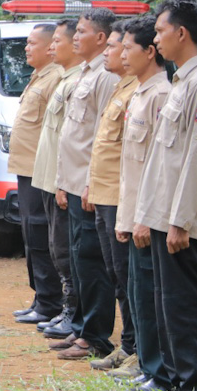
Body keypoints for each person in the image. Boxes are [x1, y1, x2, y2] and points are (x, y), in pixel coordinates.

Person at [133, 0, 197, 391]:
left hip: (184, 223)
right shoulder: (184, 82)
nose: (156, 38)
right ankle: (182, 387)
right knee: (170, 306)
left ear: (182, 33)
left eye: (160, 30)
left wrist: (179, 221)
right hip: (166, 216)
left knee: (188, 310)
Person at [54, 7, 119, 362]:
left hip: (89, 186)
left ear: (100, 38)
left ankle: (95, 335)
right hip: (75, 182)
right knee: (79, 257)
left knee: (92, 260)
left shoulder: (106, 78)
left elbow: (102, 139)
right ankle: (81, 327)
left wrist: (93, 183)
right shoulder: (86, 73)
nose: (75, 37)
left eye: (81, 31)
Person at [114, 15, 172, 389]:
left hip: (148, 216)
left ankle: (155, 367)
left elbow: (159, 167)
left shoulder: (161, 96)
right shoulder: (139, 92)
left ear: (150, 52)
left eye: (127, 47)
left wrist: (145, 217)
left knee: (151, 296)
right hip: (132, 211)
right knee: (137, 291)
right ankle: (147, 364)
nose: (121, 54)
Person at [83, 21, 138, 371]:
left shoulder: (140, 92)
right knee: (117, 276)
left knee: (128, 277)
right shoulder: (121, 87)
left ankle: (138, 350)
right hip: (104, 195)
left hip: (121, 198)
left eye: (116, 46)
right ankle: (128, 344)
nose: (109, 52)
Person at [7, 23, 64, 324]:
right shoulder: (39, 77)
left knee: (42, 236)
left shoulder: (55, 78)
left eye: (32, 43)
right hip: (27, 169)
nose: (27, 48)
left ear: (48, 46)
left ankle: (51, 301)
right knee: (31, 235)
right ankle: (41, 297)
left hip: (40, 172)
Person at [31, 19, 83, 342]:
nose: (53, 47)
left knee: (66, 251)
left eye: (58, 41)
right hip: (51, 179)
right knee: (56, 247)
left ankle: (71, 312)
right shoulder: (65, 80)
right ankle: (67, 310)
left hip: (63, 182)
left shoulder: (78, 82)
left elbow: (74, 140)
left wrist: (63, 180)